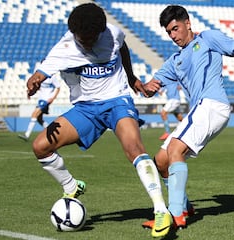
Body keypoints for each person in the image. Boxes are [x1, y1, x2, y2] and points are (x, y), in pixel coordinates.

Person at [25, 3, 171, 238]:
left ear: (101, 32)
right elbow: (42, 72)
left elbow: (122, 47)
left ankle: (161, 210)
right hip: (86, 109)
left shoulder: (113, 33)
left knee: (134, 148)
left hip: (117, 101)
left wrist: (132, 78)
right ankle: (71, 186)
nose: (88, 43)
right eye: (83, 39)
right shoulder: (64, 47)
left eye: (92, 38)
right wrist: (35, 80)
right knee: (40, 146)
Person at [142, 5, 234, 233]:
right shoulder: (175, 60)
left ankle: (174, 214)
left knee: (174, 150)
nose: (173, 36)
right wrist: (145, 87)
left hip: (213, 105)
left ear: (187, 23)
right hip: (199, 110)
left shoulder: (208, 38)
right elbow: (152, 85)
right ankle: (185, 206)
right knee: (161, 161)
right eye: (169, 32)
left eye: (175, 29)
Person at [18, 73, 60, 141]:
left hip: (46, 99)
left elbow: (58, 87)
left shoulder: (52, 76)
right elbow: (38, 87)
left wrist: (53, 98)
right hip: (41, 99)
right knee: (39, 119)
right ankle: (53, 132)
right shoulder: (42, 76)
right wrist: (30, 92)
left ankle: (27, 135)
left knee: (34, 114)